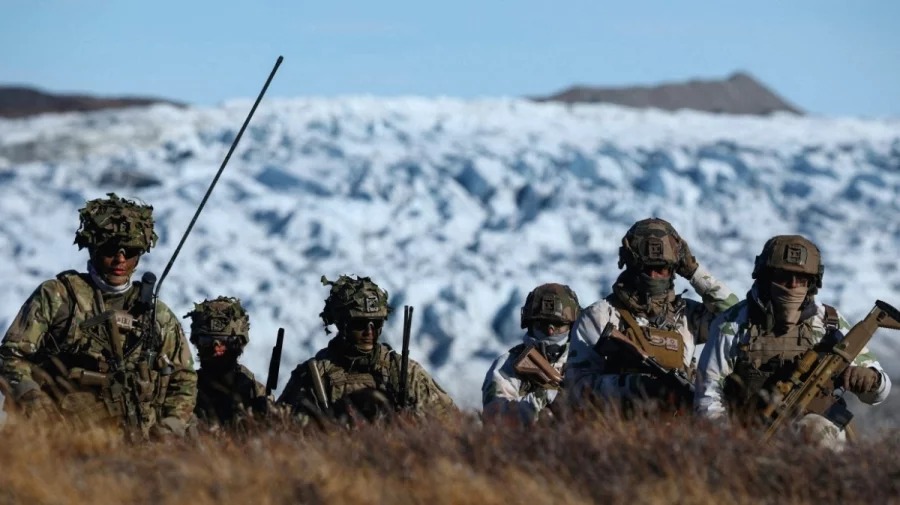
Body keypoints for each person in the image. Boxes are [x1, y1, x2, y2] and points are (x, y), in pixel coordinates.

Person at [0, 193, 196, 439]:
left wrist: (171, 425)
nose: (120, 259)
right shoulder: (59, 297)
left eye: (131, 250)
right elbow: (10, 356)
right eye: (110, 249)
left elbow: (184, 378)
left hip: (140, 444)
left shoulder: (158, 315)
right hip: (58, 439)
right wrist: (35, 403)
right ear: (92, 247)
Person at [694, 235, 891, 445]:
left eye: (802, 279)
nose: (792, 285)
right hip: (750, 435)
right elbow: (708, 394)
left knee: (817, 430)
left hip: (817, 434)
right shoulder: (733, 324)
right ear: (765, 277)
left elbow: (879, 393)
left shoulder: (828, 324)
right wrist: (730, 443)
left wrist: (871, 379)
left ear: (812, 284)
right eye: (783, 277)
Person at [565, 217, 737, 412]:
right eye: (647, 268)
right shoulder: (601, 316)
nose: (654, 276)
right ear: (631, 266)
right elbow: (576, 389)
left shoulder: (689, 316)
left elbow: (734, 316)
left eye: (661, 269)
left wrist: (694, 271)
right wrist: (632, 386)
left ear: (674, 269)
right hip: (616, 430)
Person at [278, 275, 455, 423]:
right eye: (360, 324)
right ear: (342, 324)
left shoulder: (405, 372)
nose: (369, 331)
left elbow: (451, 422)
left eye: (376, 323)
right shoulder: (314, 375)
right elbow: (284, 431)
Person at [482, 283, 580, 423]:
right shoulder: (508, 365)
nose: (551, 331)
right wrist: (543, 398)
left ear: (572, 325)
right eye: (542, 325)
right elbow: (494, 419)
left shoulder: (585, 359)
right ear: (529, 324)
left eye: (558, 325)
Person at [186, 296, 273, 429]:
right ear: (197, 343)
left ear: (239, 343)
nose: (216, 348)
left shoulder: (255, 391)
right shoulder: (183, 390)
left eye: (226, 341)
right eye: (207, 341)